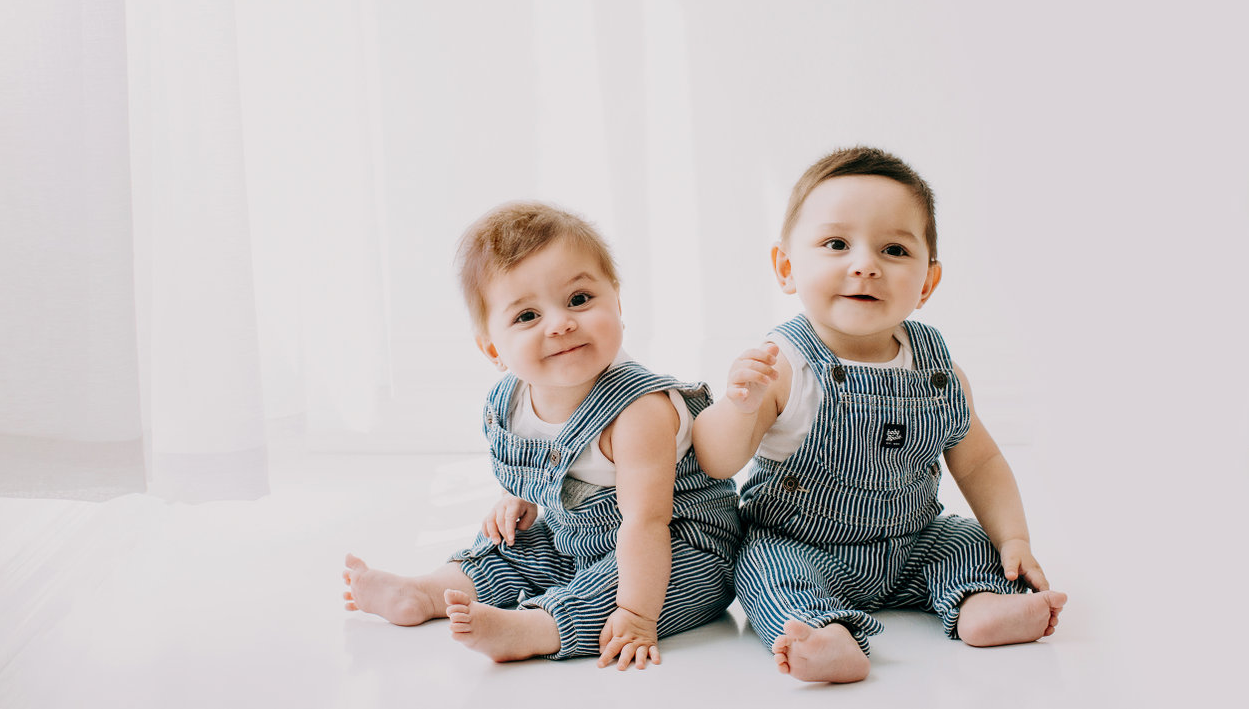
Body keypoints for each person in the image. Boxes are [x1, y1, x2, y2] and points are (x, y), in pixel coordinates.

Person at [692, 146, 1067, 683]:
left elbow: (980, 462)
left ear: (927, 283)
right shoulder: (782, 366)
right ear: (786, 267)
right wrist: (737, 405)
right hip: (802, 544)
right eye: (836, 244)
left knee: (963, 542)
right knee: (767, 571)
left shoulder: (939, 370)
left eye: (893, 249)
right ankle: (823, 634)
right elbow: (715, 461)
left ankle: (981, 604)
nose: (864, 264)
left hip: (913, 541)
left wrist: (1014, 540)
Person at [343, 202, 742, 669]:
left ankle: (536, 629)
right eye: (527, 316)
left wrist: (635, 616)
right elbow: (549, 472)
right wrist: (523, 500)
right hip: (573, 534)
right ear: (494, 348)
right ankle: (429, 591)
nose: (560, 323)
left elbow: (644, 523)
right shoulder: (508, 402)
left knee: (612, 589)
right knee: (511, 549)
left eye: (579, 300)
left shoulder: (639, 411)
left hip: (675, 544)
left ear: (616, 303)